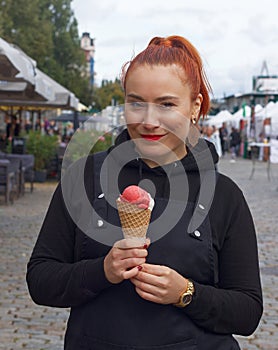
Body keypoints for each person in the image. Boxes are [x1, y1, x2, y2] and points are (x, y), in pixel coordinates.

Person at [26, 36, 263, 350]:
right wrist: (102, 271)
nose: (149, 121)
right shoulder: (84, 178)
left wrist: (186, 293)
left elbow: (247, 312)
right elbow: (41, 280)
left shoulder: (223, 196)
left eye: (166, 104)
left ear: (195, 106)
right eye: (136, 102)